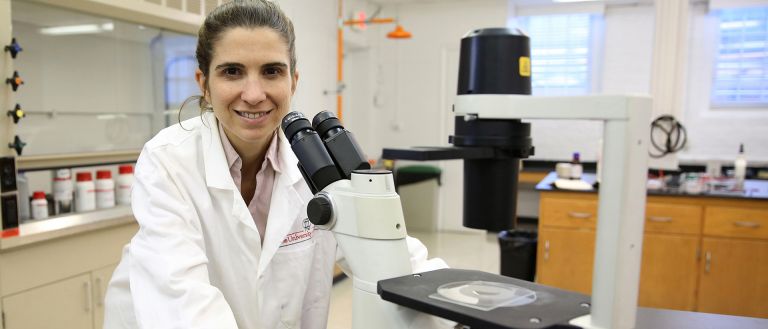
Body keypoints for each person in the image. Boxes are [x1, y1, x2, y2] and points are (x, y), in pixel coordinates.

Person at [103, 1, 448, 328]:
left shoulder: (319, 163)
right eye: (232, 72)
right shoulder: (169, 160)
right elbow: (181, 300)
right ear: (204, 84)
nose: (253, 94)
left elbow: (393, 258)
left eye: (271, 71)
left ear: (293, 81)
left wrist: (463, 303)